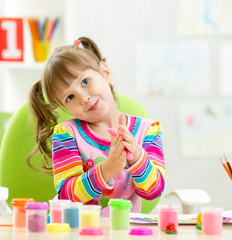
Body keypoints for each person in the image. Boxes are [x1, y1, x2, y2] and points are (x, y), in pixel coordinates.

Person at [27, 36, 165, 213]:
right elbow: (66, 194)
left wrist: (137, 155)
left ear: (105, 72)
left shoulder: (148, 130)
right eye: (70, 97)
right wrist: (107, 169)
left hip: (122, 232)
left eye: (85, 81)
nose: (84, 98)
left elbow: (154, 191)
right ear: (65, 107)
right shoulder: (66, 133)